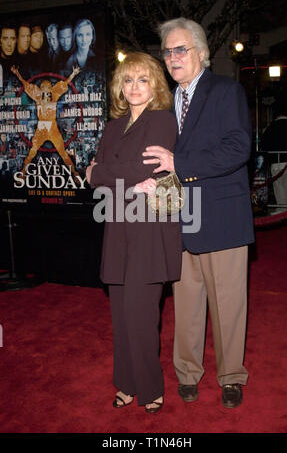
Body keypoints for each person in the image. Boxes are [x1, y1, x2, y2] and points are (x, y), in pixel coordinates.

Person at [142, 17, 254, 408]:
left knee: (227, 304)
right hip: (178, 219)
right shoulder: (162, 102)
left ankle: (231, 377)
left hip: (221, 217)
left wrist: (180, 162)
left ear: (201, 53)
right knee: (187, 304)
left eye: (180, 49)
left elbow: (238, 148)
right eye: (167, 51)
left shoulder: (226, 91)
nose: (172, 57)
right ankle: (187, 373)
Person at [86, 52, 182, 413]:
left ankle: (150, 387)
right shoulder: (113, 127)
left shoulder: (162, 120)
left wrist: (101, 172)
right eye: (128, 80)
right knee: (121, 316)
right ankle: (125, 383)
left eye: (143, 79)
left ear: (155, 84)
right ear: (119, 87)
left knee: (142, 316)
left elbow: (142, 166)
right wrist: (114, 175)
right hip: (117, 228)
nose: (134, 87)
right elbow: (109, 175)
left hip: (149, 232)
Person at [10, 65, 81, 180]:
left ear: (50, 87)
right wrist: (17, 73)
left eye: (47, 86)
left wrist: (73, 74)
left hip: (52, 127)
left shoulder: (54, 92)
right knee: (33, 151)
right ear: (41, 87)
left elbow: (65, 83)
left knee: (62, 152)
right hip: (42, 127)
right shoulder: (37, 94)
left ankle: (74, 173)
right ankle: (23, 172)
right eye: (43, 86)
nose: (45, 88)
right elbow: (25, 84)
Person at [261, 108, 287, 212]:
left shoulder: (270, 128)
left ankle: (282, 210)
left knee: (279, 188)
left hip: (276, 162)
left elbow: (264, 145)